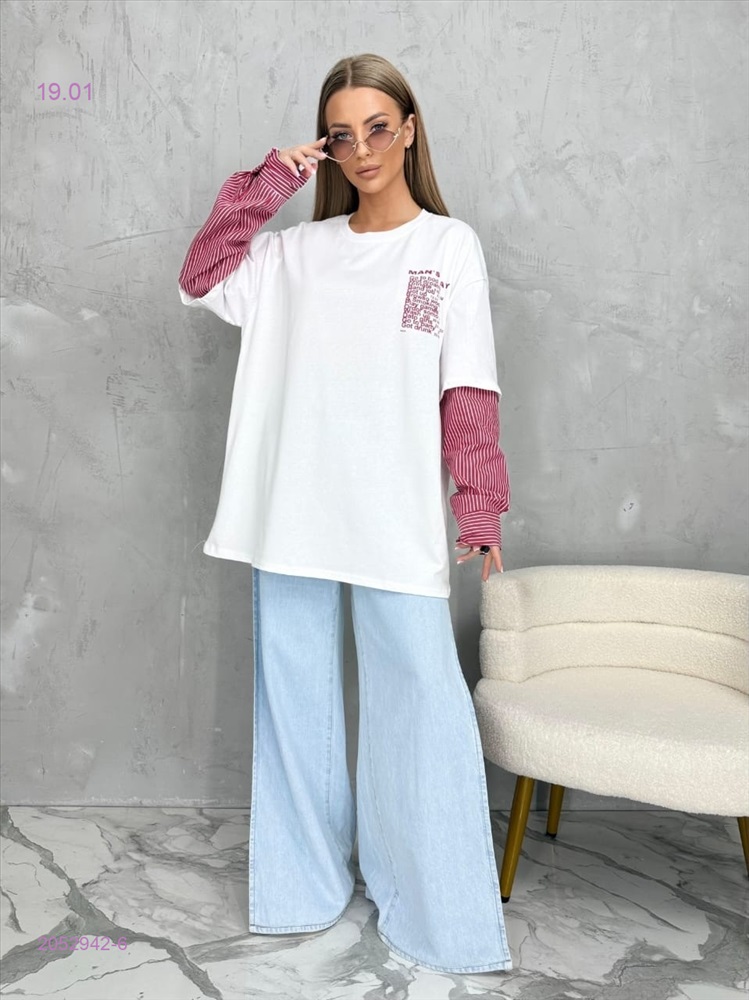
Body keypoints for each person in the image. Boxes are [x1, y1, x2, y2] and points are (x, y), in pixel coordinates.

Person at [177, 53, 512, 975]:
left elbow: (465, 384)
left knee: (421, 702)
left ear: (408, 130)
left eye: (376, 128)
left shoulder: (446, 248)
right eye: (340, 134)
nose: (361, 149)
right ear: (324, 145)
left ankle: (436, 910)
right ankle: (301, 890)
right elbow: (201, 276)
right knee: (293, 709)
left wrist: (478, 503)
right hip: (290, 508)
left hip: (392, 511)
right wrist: (269, 183)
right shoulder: (292, 254)